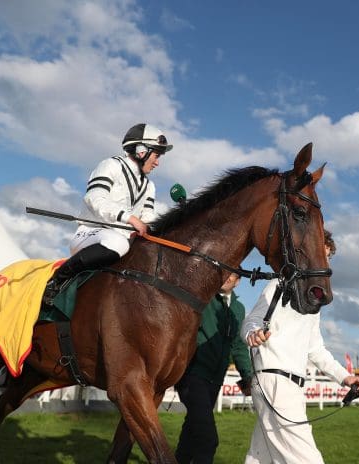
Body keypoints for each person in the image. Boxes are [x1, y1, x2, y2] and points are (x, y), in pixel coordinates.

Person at [241, 230, 359, 464]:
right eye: (321, 255)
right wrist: (252, 334)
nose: (324, 262)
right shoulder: (280, 284)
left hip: (292, 387)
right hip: (274, 382)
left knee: (259, 458)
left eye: (328, 257)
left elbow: (316, 349)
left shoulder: (312, 301)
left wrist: (345, 377)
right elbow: (251, 320)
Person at [44, 123, 173, 304]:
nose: (158, 162)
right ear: (142, 151)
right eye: (157, 155)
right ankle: (57, 280)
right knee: (118, 242)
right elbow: (94, 198)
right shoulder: (110, 165)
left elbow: (148, 216)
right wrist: (129, 218)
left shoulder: (149, 186)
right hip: (91, 234)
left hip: (123, 241)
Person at [175, 273, 253, 464]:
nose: (227, 277)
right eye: (224, 273)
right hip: (192, 374)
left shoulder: (239, 309)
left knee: (192, 431)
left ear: (238, 281)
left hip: (215, 379)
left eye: (232, 275)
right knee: (207, 439)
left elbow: (238, 346)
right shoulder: (203, 298)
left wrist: (248, 376)